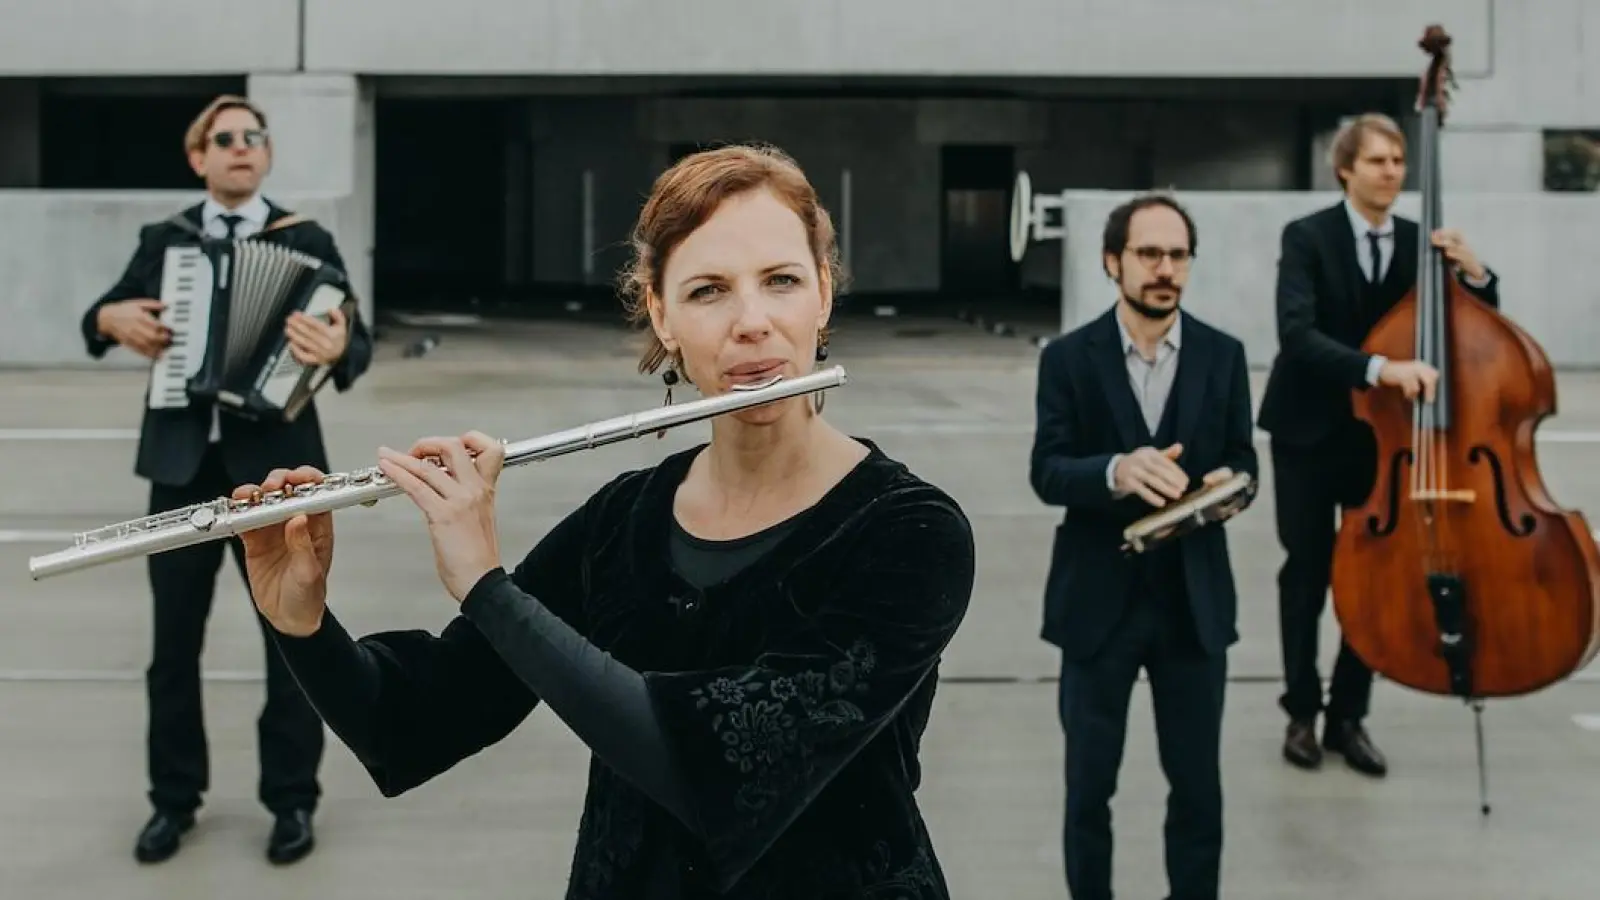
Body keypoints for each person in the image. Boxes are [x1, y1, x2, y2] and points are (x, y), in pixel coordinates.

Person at [235, 143, 977, 899]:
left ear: (821, 294)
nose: (751, 322)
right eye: (709, 290)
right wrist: (302, 623)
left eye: (781, 281)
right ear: (662, 314)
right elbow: (411, 725)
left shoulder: (910, 534)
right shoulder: (623, 520)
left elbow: (714, 768)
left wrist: (489, 589)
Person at [79, 94, 373, 865]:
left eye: (254, 138)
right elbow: (99, 316)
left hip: (276, 473)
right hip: (180, 469)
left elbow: (357, 340)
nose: (242, 148)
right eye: (225, 138)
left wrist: (336, 341)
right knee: (172, 645)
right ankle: (172, 801)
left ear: (266, 157)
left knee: (292, 640)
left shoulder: (305, 238)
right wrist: (113, 320)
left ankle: (292, 801)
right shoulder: (165, 240)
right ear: (198, 158)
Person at [1029, 193, 1257, 900]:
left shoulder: (1225, 355)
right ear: (1112, 261)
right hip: (1098, 610)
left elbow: (1248, 463)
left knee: (1198, 793)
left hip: (1194, 609)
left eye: (1178, 255)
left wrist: (1231, 485)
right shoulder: (1068, 358)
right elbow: (1047, 470)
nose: (1165, 269)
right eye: (1149, 254)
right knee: (1088, 792)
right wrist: (1115, 471)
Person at [1257, 112, 1498, 778]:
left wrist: (1476, 273)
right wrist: (1380, 370)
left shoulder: (1424, 244)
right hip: (1308, 433)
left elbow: (1478, 326)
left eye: (1398, 160)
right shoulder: (1306, 238)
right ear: (1345, 169)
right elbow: (1297, 335)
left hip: (1387, 444)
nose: (1392, 170)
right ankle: (1302, 712)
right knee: (1306, 574)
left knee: (1377, 581)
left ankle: (1348, 717)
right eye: (1377, 160)